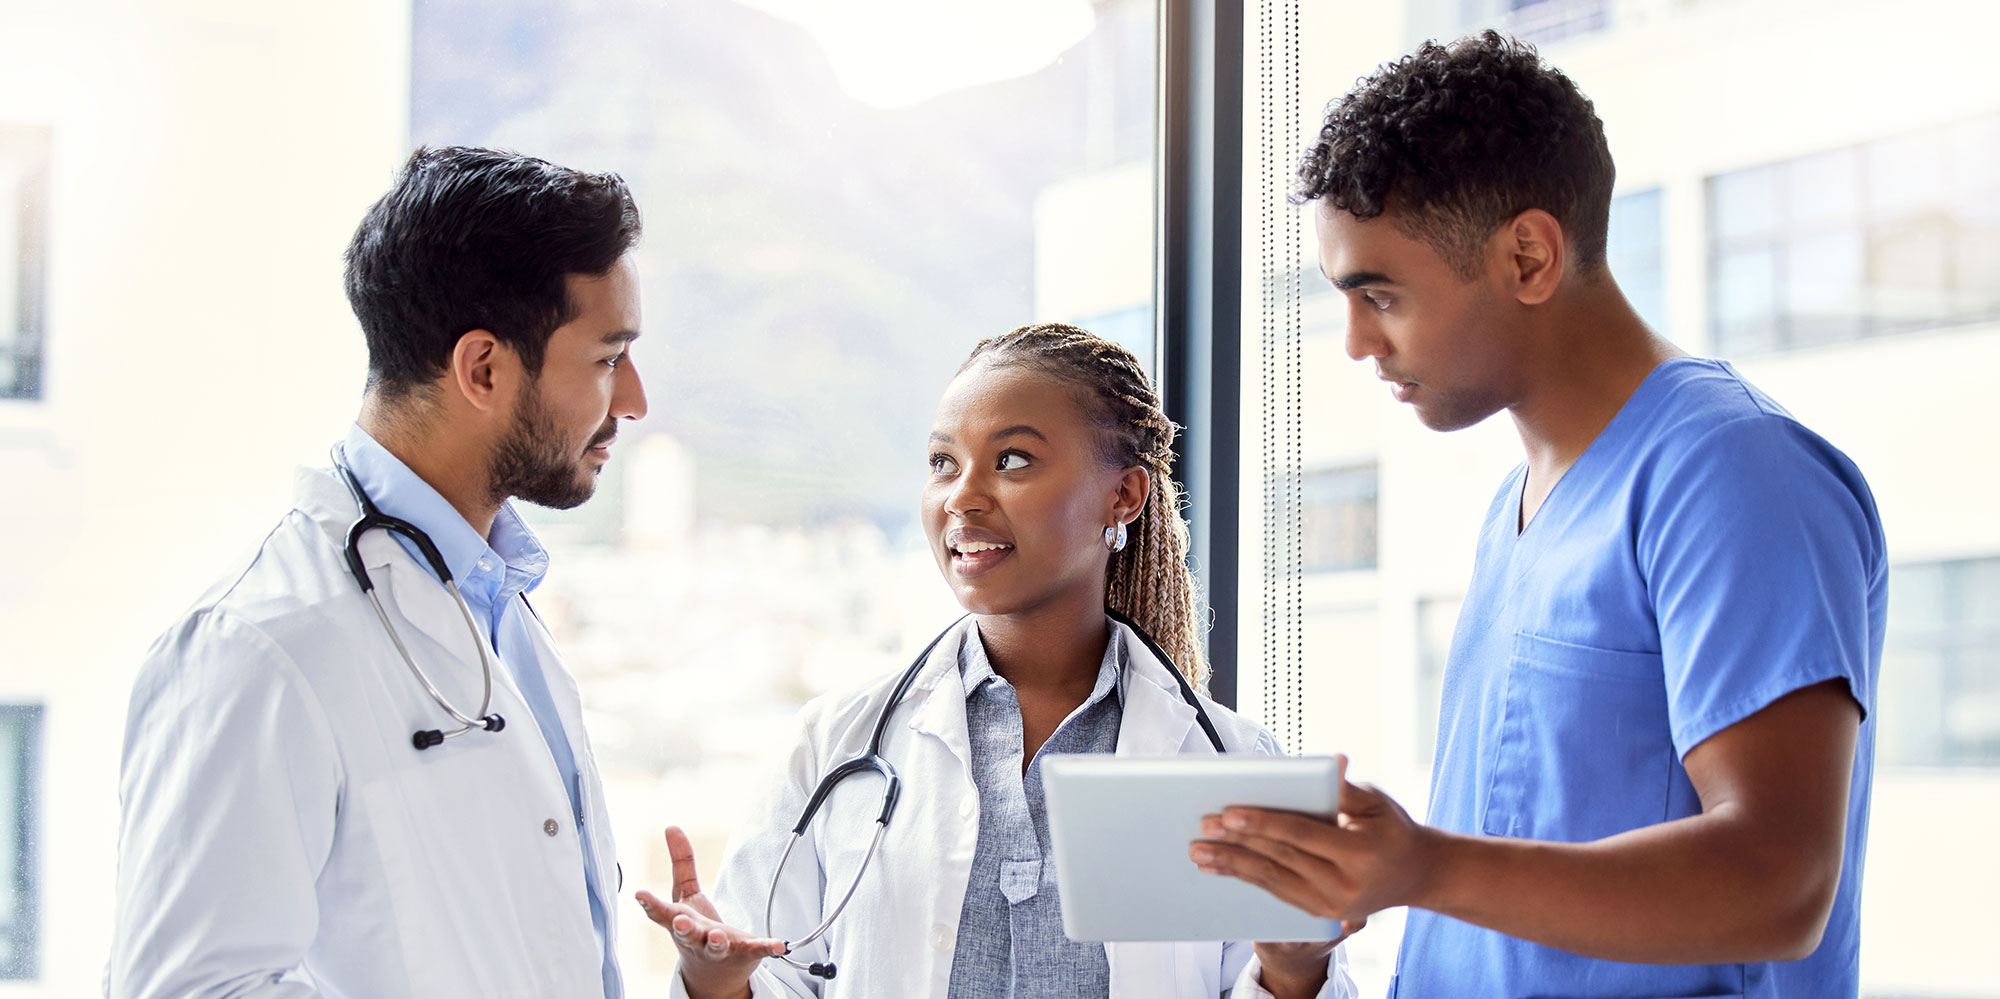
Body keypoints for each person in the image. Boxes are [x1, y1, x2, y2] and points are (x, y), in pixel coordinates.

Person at [1189, 31, 1887, 998]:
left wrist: (1421, 864)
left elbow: (1781, 883)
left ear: (1527, 254)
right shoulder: (1512, 513)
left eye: (1380, 294)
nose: (1355, 342)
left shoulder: (1735, 474)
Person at [636, 324, 1358, 999]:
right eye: (943, 462)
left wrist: (1296, 966)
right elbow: (776, 973)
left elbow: (1284, 974)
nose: (962, 496)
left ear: (1124, 494)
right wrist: (715, 981)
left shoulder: (1228, 762)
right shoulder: (833, 745)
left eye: (1012, 459)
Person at [107, 146, 649, 998]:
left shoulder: (497, 601)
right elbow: (190, 988)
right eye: (608, 359)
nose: (634, 401)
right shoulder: (257, 645)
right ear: (483, 368)